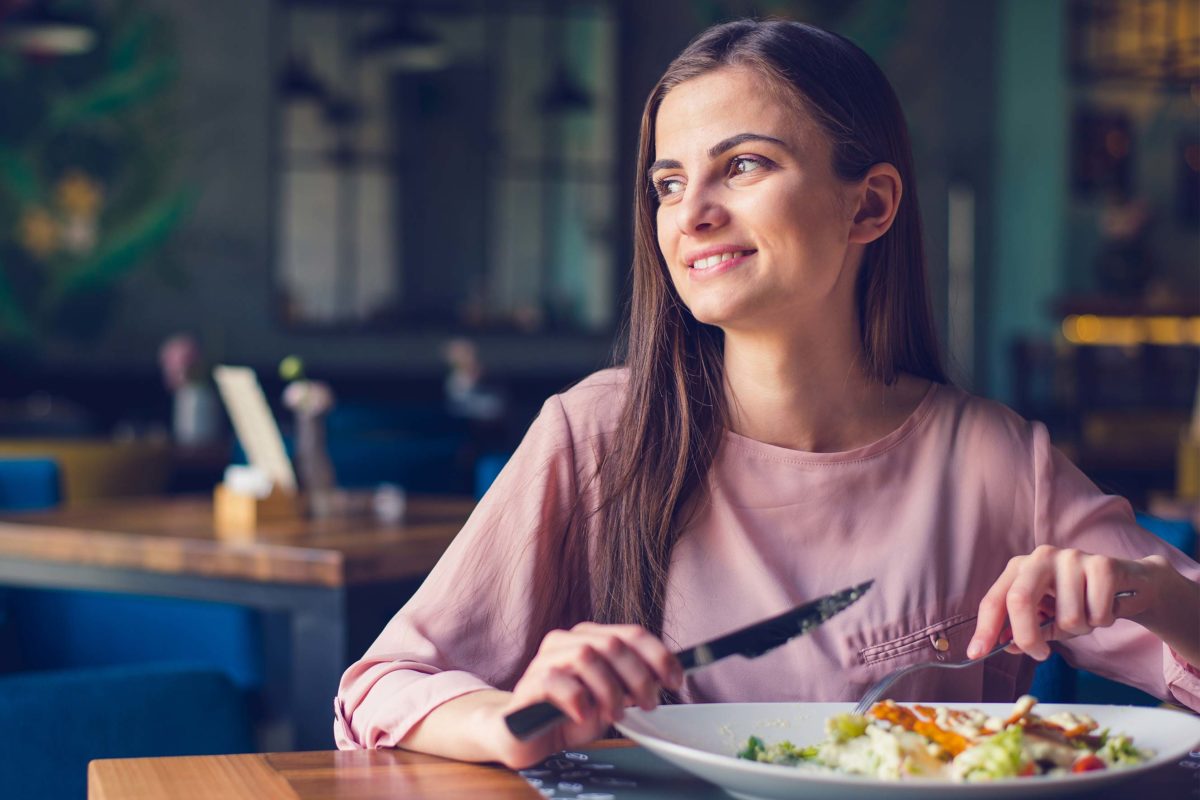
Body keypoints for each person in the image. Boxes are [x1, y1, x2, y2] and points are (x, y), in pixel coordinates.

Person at [335, 19, 1200, 768]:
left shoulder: (994, 458)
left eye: (742, 165)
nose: (690, 213)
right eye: (669, 183)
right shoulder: (598, 431)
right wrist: (517, 717)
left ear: (869, 207)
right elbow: (379, 688)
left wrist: (1149, 593)